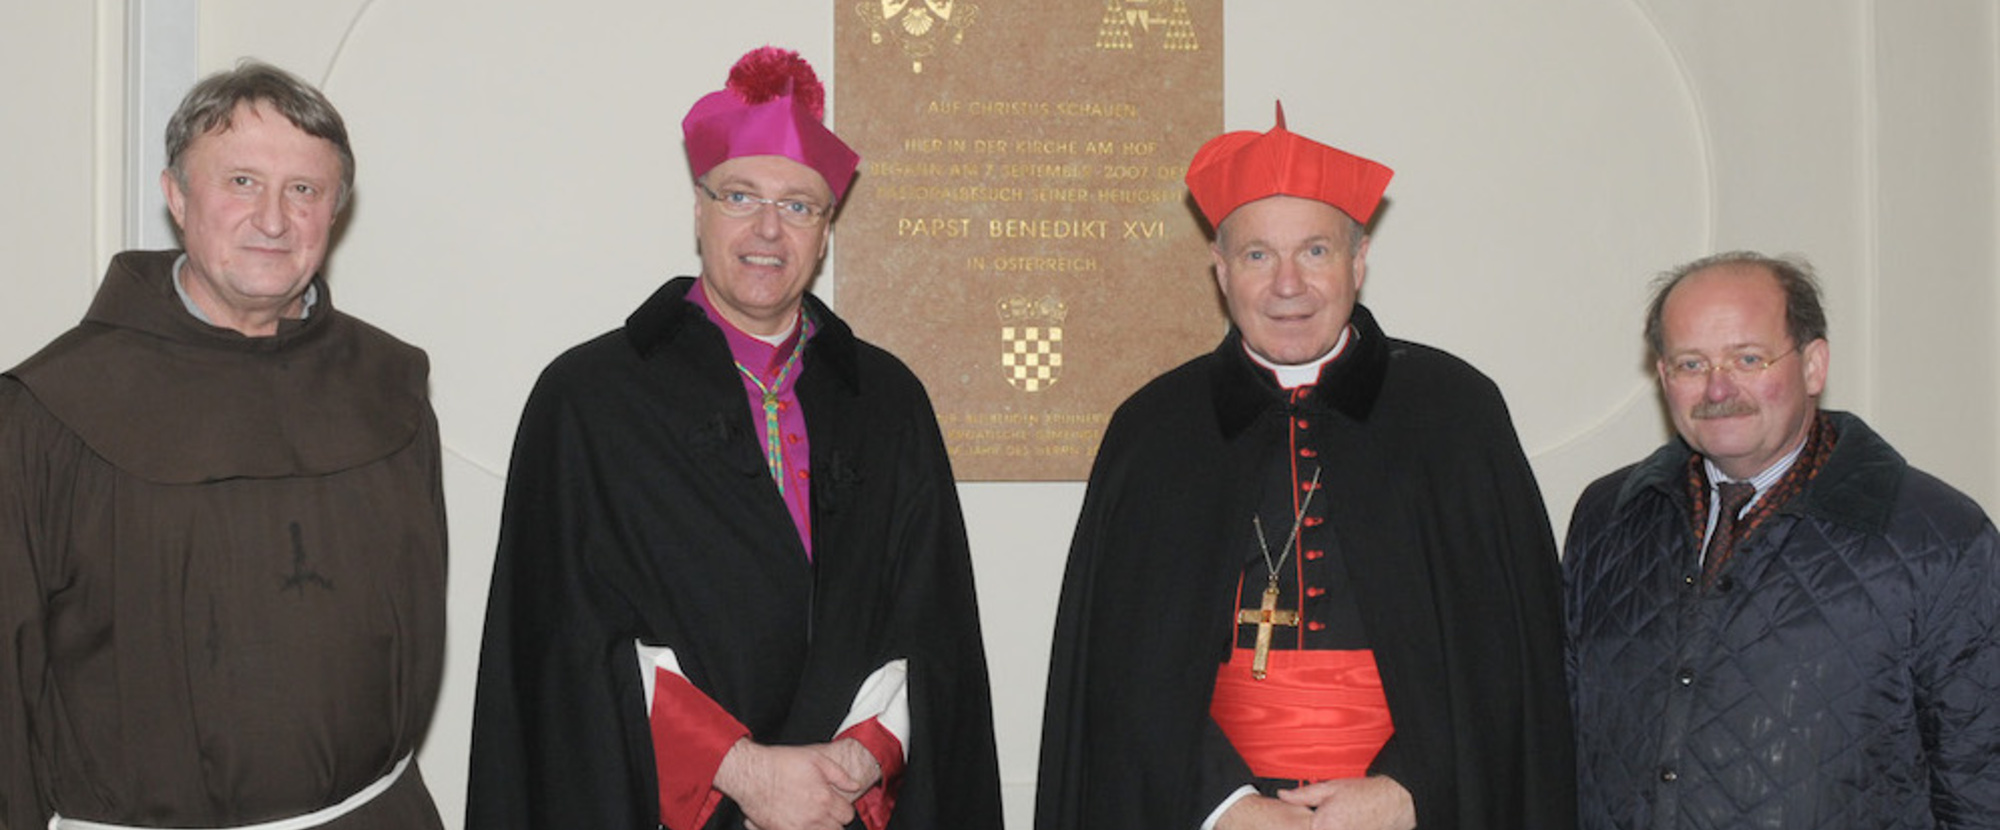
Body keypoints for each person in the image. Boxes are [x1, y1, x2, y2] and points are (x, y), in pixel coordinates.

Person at [464, 46, 1002, 830]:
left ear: (825, 231)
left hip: (845, 808)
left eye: (798, 206)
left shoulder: (888, 402)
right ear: (699, 209)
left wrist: (851, 766)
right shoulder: (586, 399)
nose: (766, 230)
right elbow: (562, 641)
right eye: (741, 195)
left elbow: (931, 627)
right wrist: (740, 770)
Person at [1035, 103, 1575, 830]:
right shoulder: (1156, 430)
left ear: (1358, 261)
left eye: (1315, 252)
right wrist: (1224, 803)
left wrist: (1410, 788)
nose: (1288, 284)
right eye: (1259, 255)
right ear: (1221, 271)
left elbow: (1508, 652)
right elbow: (1121, 672)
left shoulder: (1454, 413)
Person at [0, 61, 447, 830]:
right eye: (241, 181)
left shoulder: (391, 387)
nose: (273, 219)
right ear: (176, 196)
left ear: (336, 210)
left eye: (304, 190)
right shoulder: (49, 409)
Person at [1564, 252, 2000, 827]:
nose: (1719, 388)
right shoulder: (1608, 517)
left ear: (1814, 365)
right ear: (1663, 377)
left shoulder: (1937, 537)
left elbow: (1981, 781)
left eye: (1749, 358)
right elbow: (1563, 738)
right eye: (1691, 363)